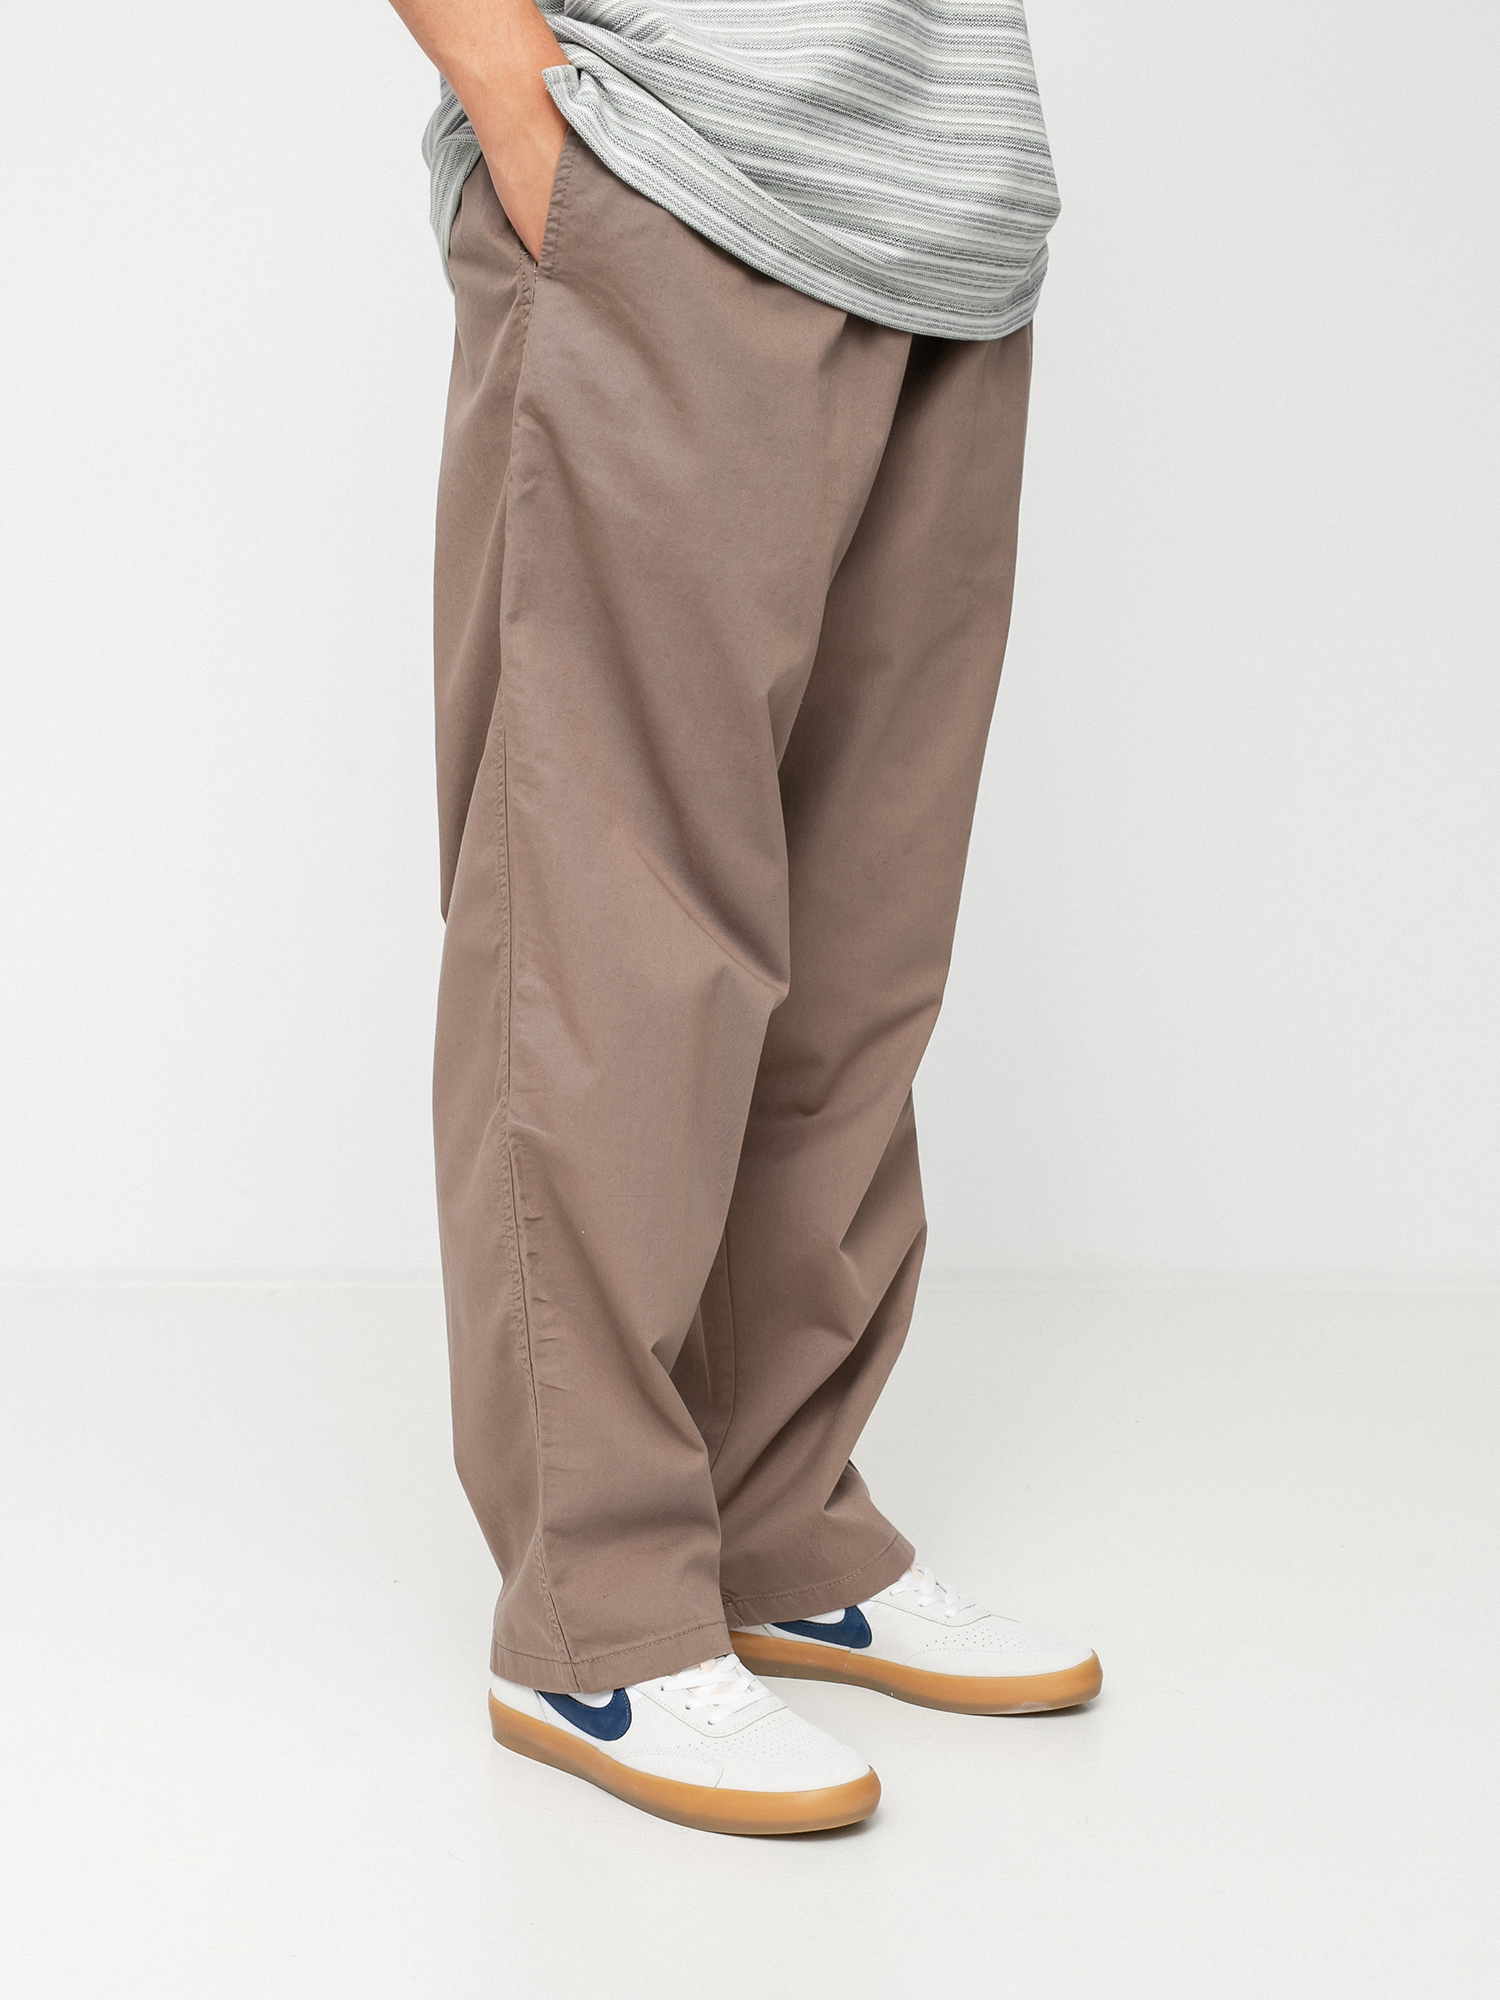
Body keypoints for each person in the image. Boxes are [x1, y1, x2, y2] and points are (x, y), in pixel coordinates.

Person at [388, 0, 1101, 1837]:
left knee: (859, 949)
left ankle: (778, 1525)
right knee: (612, 933)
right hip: (671, 169)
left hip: (947, 222)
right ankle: (599, 1609)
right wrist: (519, 102)